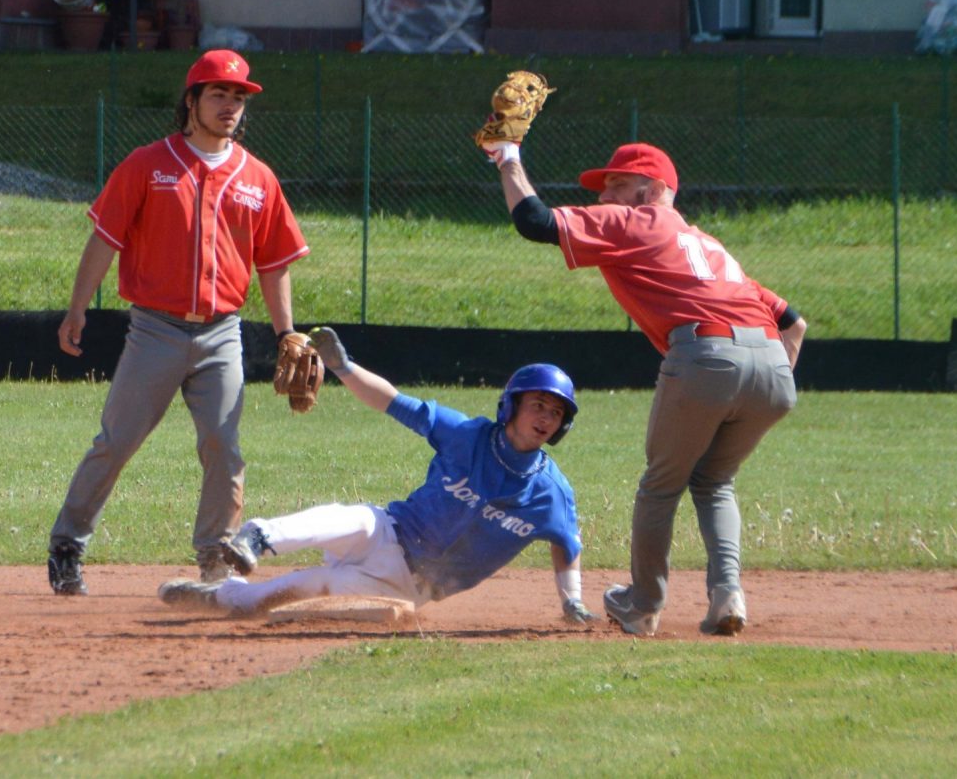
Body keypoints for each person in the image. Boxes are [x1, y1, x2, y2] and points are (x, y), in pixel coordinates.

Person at [482, 139, 806, 637]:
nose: (604, 194)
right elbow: (794, 323)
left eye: (617, 183)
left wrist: (508, 158)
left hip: (705, 355)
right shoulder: (711, 246)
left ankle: (643, 605)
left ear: (652, 190)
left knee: (660, 487)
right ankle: (727, 595)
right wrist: (769, 377)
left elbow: (535, 220)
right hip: (772, 368)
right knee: (714, 482)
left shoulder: (635, 223)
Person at [47, 50, 310, 595]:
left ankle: (215, 557)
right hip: (155, 330)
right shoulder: (149, 164)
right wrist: (78, 308)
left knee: (223, 444)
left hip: (222, 333)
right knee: (116, 442)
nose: (231, 106)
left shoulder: (257, 178)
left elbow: (275, 264)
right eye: (218, 94)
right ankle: (68, 544)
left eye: (238, 97)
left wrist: (286, 332)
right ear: (190, 102)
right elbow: (104, 240)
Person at [157, 327, 597, 624]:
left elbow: (566, 542)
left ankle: (218, 596)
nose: (546, 417)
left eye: (556, 412)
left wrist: (571, 600)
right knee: (348, 518)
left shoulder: (550, 492)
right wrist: (343, 367)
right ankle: (257, 536)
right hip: (388, 530)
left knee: (290, 594)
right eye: (538, 405)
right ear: (512, 405)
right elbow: (393, 402)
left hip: (405, 585)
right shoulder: (467, 435)